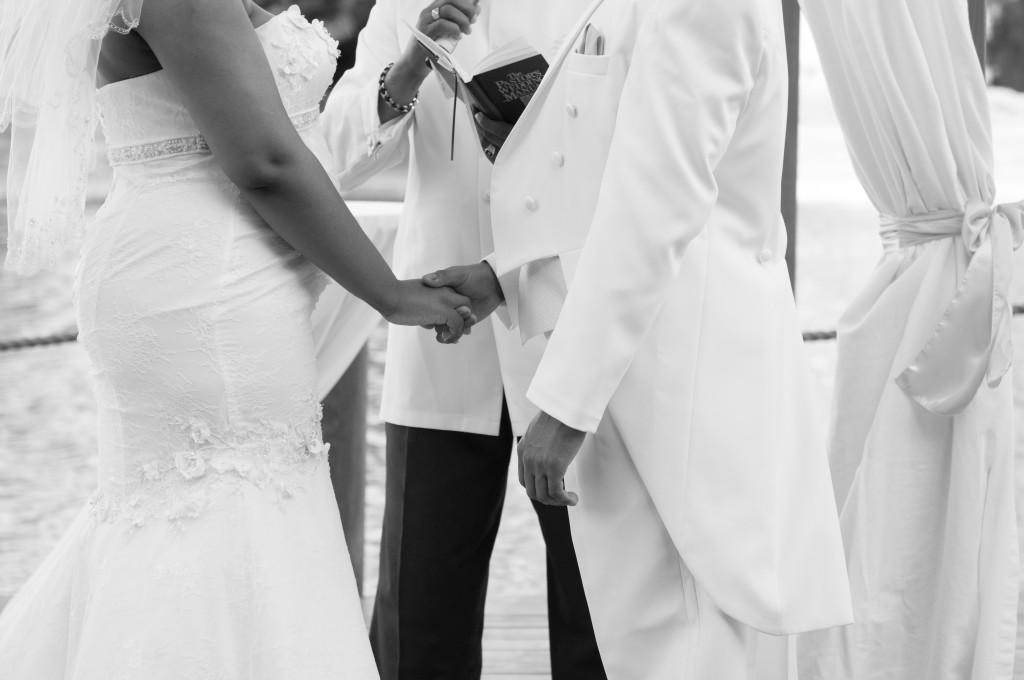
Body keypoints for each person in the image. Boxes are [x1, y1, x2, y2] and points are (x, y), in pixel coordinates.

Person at [0, 0, 474, 676]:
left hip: (226, 274)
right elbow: (266, 161)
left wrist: (401, 78)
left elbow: (289, 133)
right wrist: (391, 295)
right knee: (217, 522)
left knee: (226, 524)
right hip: (201, 291)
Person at [423, 0, 855, 676]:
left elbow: (658, 210)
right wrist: (505, 278)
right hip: (633, 381)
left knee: (688, 647)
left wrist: (567, 403)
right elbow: (598, 187)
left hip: (680, 401)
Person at [321, 1, 607, 678]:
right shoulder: (404, 7)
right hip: (445, 323)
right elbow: (338, 154)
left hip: (566, 323)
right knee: (419, 609)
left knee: (595, 603)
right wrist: (415, 60)